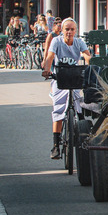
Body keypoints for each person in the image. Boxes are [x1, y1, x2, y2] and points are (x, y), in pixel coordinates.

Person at [41, 18, 92, 159]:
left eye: (72, 29)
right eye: (67, 29)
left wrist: (88, 62)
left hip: (74, 77)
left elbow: (87, 55)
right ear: (62, 30)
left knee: (79, 105)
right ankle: (56, 145)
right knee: (58, 108)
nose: (69, 32)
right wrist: (46, 69)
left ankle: (82, 136)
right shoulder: (56, 41)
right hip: (60, 78)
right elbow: (50, 56)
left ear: (76, 31)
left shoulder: (79, 42)